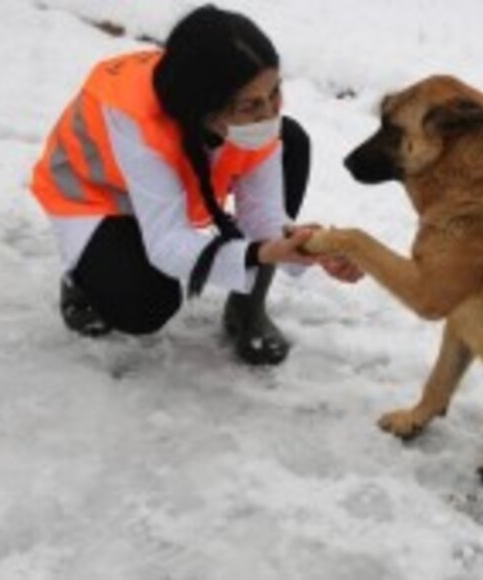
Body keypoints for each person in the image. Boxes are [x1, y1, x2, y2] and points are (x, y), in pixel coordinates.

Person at [29, 4, 361, 365]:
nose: (269, 113)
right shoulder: (135, 119)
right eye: (251, 105)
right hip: (101, 199)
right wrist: (257, 253)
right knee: (146, 304)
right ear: (204, 106)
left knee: (292, 142)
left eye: (274, 92)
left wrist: (310, 247)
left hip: (173, 184)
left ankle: (247, 303)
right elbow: (167, 242)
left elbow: (263, 214)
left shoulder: (251, 109)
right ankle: (83, 281)